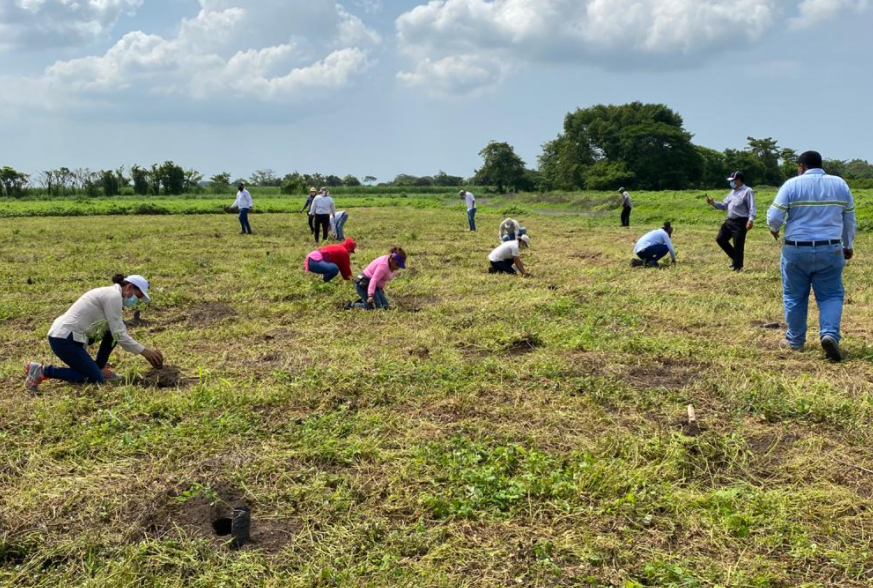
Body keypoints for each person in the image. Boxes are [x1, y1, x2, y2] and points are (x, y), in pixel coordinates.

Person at [766, 150, 856, 361]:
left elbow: (774, 216)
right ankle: (829, 334)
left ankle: (795, 341)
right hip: (830, 248)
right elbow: (849, 220)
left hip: (796, 249)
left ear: (802, 166)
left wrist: (774, 229)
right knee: (831, 295)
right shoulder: (840, 184)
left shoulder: (791, 184)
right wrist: (848, 245)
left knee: (794, 296)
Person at [25, 274, 165, 394]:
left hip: (74, 336)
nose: (135, 301)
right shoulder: (113, 296)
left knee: (120, 325)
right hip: (64, 339)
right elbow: (119, 336)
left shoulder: (112, 294)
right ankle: (43, 371)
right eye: (137, 296)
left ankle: (99, 367)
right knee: (95, 378)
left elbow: (116, 331)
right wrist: (145, 352)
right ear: (129, 287)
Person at [705, 171, 756, 272]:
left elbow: (752, 207)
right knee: (720, 239)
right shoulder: (732, 192)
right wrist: (713, 203)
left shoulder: (748, 191)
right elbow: (724, 205)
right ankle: (736, 259)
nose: (731, 182)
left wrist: (751, 220)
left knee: (738, 244)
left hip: (741, 222)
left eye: (733, 180)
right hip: (729, 221)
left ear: (738, 180)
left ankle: (738, 266)